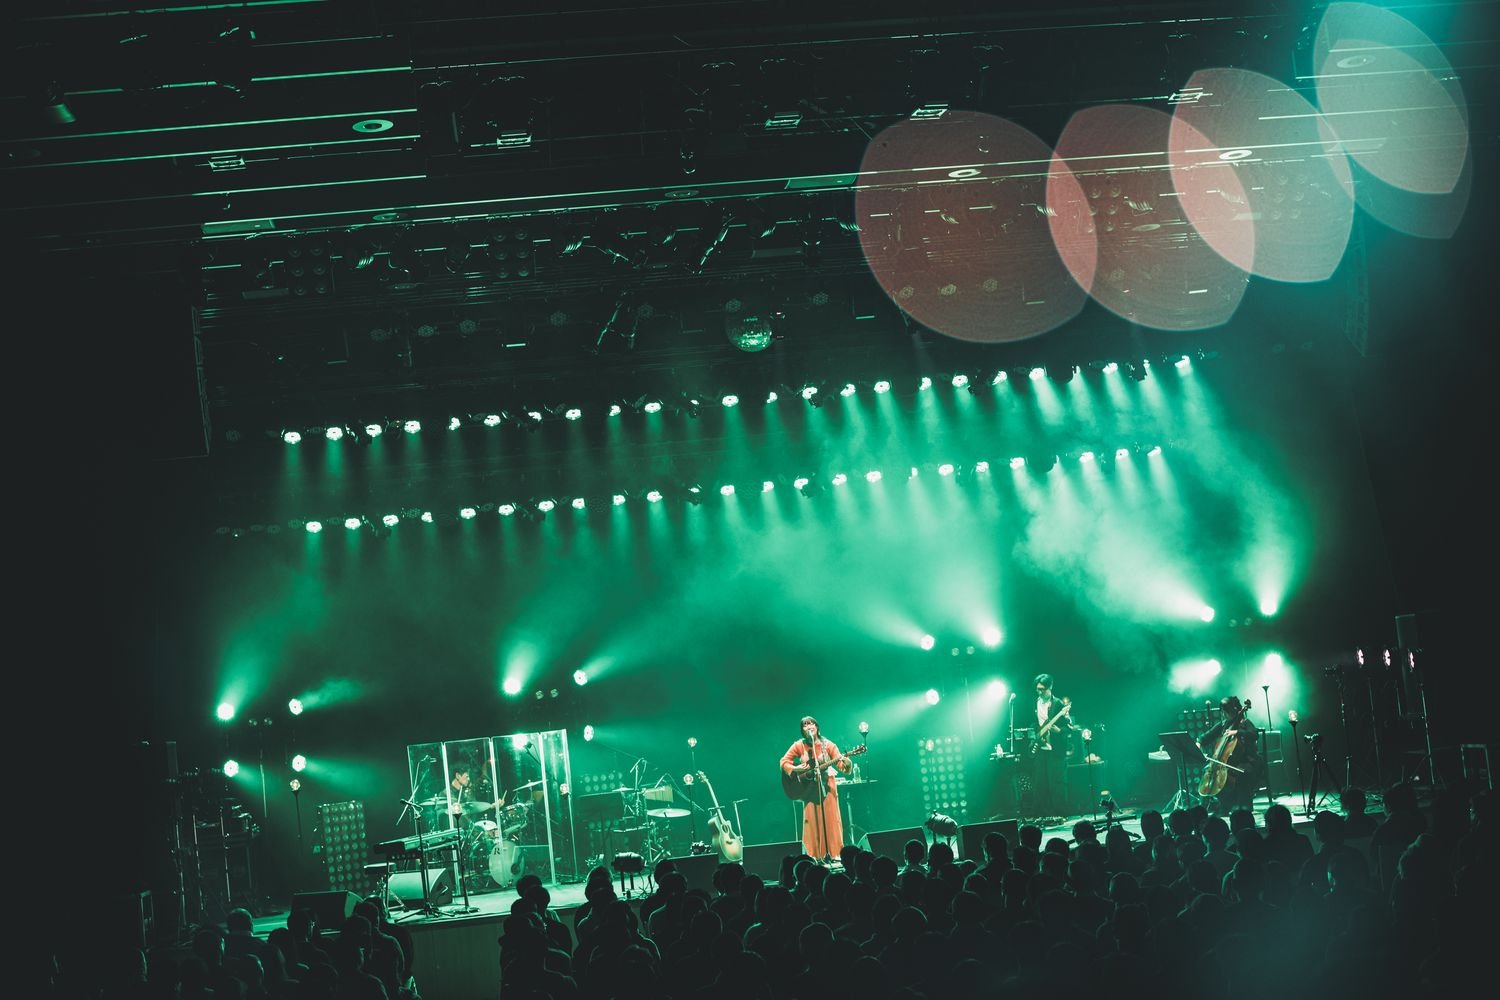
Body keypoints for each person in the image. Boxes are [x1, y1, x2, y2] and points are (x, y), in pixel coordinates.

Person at [781, 716, 854, 862]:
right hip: (809, 790)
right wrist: (795, 769)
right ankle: (814, 856)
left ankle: (835, 854)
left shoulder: (828, 745)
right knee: (812, 823)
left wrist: (846, 762)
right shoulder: (799, 745)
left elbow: (842, 767)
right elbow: (784, 762)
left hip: (828, 789)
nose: (809, 726)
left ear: (817, 727)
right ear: (802, 730)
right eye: (805, 725)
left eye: (811, 723)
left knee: (831, 821)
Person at [1020, 673, 1076, 820]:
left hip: (1056, 750)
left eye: (1042, 689)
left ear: (1050, 687)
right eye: (1037, 689)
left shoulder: (1058, 704)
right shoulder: (1035, 703)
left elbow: (1069, 727)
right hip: (1041, 748)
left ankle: (1061, 814)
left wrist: (1059, 731)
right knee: (1040, 783)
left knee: (1056, 783)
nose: (1039, 692)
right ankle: (1042, 815)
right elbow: (1033, 722)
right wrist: (1035, 735)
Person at [1197, 696, 1261, 816]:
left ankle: (1239, 807)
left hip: (1246, 761)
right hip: (1228, 763)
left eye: (1226, 712)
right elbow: (1206, 736)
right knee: (1209, 772)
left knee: (1239, 775)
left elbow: (1254, 734)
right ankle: (1207, 808)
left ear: (1234, 710)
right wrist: (1199, 742)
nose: (1223, 715)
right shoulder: (1223, 724)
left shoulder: (1244, 723)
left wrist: (1237, 732)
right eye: (1222, 712)